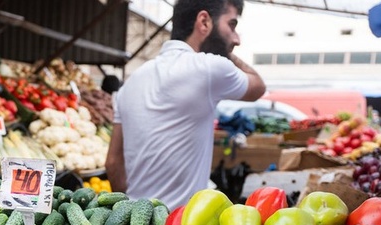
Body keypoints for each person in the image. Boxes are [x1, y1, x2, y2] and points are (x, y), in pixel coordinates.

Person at [104, 0, 265, 210]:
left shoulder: (132, 82)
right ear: (204, 21)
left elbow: (113, 163)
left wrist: (134, 213)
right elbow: (258, 86)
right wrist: (225, 51)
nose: (236, 39)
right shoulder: (208, 68)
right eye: (232, 25)